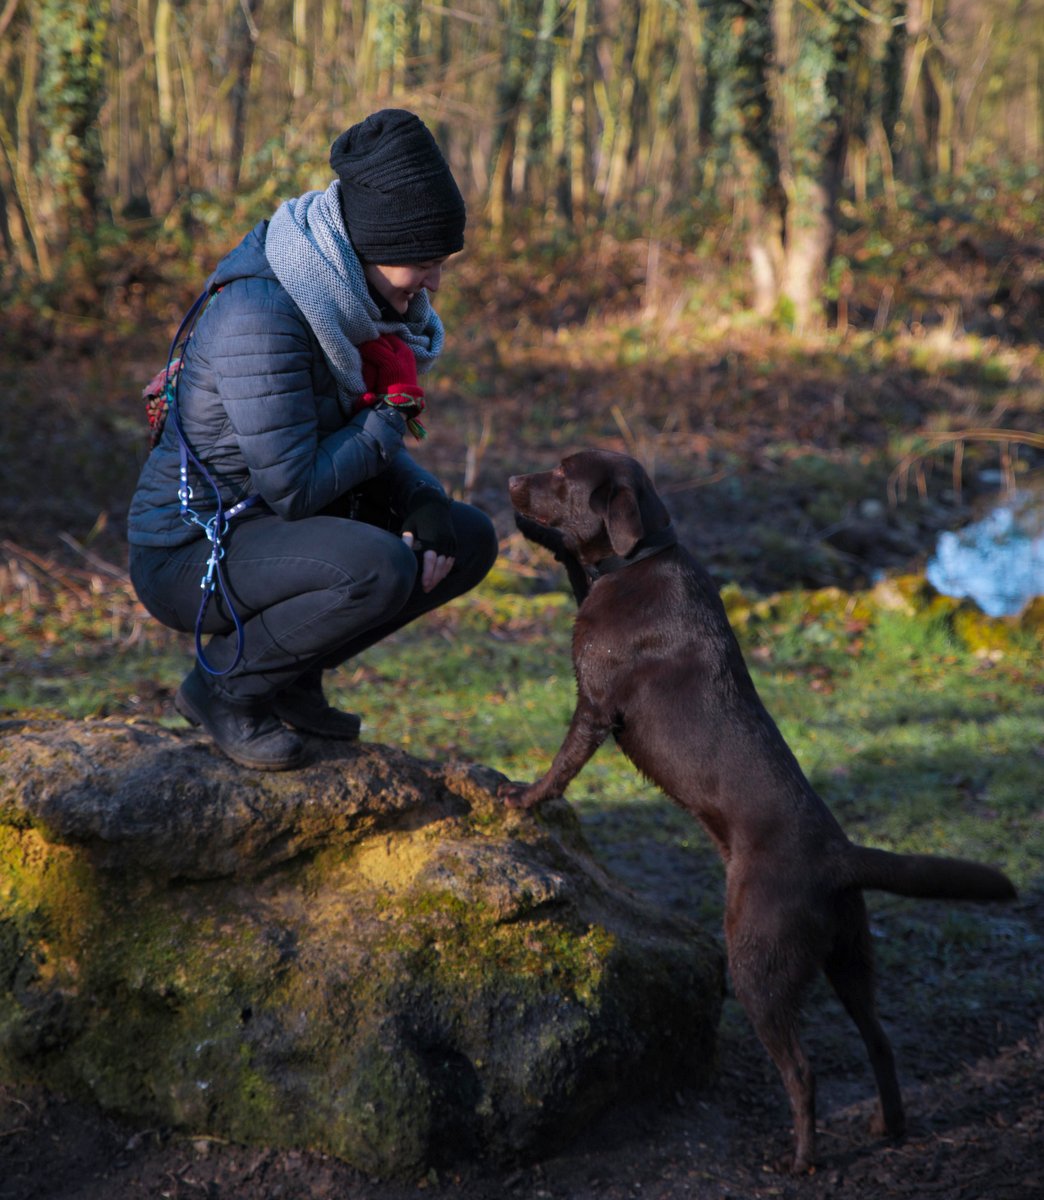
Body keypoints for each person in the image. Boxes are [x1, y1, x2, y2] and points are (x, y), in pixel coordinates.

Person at [127, 109, 498, 771]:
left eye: (441, 262)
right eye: (424, 262)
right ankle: (222, 691)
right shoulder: (261, 316)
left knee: (463, 538)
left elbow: (342, 438)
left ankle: (290, 680)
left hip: (268, 527)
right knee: (375, 568)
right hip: (193, 549)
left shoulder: (345, 298)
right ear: (372, 246)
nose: (435, 282)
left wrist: (423, 499)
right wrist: (390, 414)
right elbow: (296, 487)